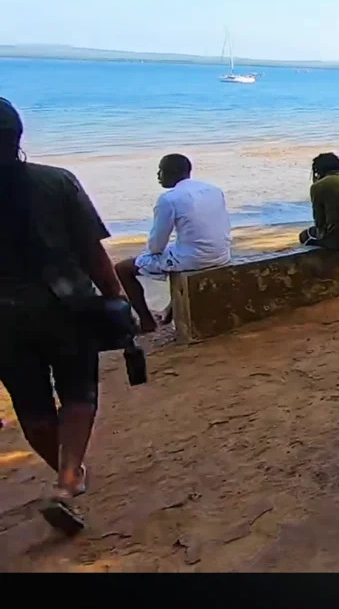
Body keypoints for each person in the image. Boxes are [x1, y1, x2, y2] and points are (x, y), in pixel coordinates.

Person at [0, 97, 126, 534]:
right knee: (77, 394)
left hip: (4, 321)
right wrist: (116, 296)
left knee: (32, 407)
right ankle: (67, 479)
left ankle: (67, 475)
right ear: (18, 138)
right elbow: (93, 252)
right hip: (67, 305)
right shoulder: (57, 182)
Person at [114, 154, 231, 332]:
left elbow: (156, 244)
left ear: (171, 173)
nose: (158, 176)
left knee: (123, 268)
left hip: (195, 259)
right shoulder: (213, 189)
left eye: (160, 171)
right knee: (175, 251)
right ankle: (170, 312)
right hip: (222, 254)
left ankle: (147, 321)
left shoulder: (168, 199)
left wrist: (151, 253)